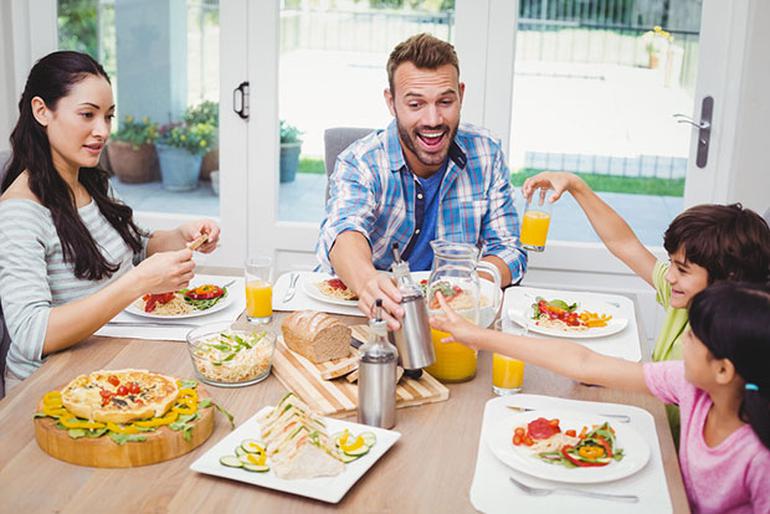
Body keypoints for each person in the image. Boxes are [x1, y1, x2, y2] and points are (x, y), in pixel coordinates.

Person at [431, 282, 770, 513]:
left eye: (693, 338)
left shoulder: (759, 457)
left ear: (723, 371)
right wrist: (478, 335)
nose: (685, 343)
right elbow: (584, 363)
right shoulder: (692, 386)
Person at [0, 51, 220, 388]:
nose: (102, 131)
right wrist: (138, 283)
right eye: (87, 115)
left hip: (109, 357)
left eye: (108, 116)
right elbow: (32, 335)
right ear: (41, 111)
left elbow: (136, 247)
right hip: (49, 386)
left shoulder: (91, 181)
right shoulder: (19, 211)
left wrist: (181, 235)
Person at [316, 33, 526, 329]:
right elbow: (343, 232)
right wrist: (367, 281)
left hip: (455, 317)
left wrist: (467, 286)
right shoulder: (360, 161)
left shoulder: (486, 151)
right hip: (371, 314)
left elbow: (509, 248)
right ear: (392, 102)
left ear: (461, 95)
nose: (433, 120)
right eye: (416, 104)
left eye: (445, 101)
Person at [522, 172, 770, 362]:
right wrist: (576, 185)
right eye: (671, 263)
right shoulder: (689, 296)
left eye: (682, 270)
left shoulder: (728, 342)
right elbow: (624, 243)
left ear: (728, 278)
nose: (669, 277)